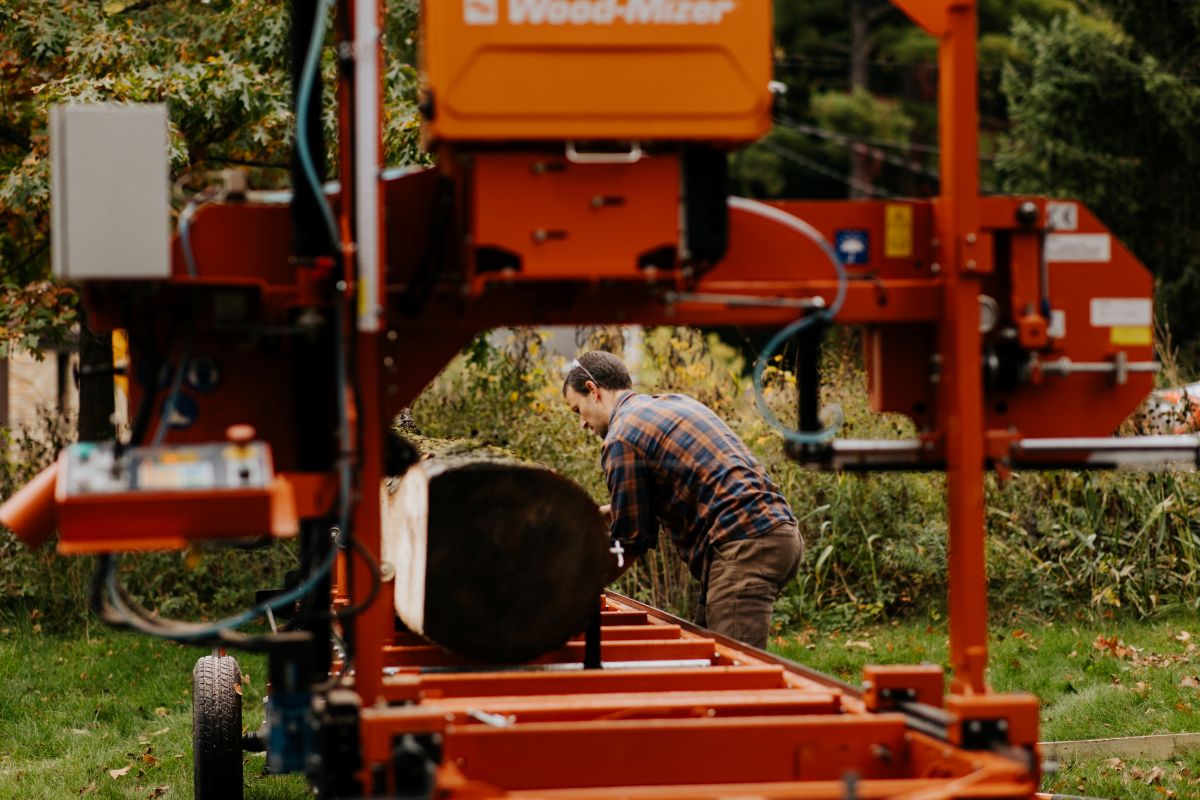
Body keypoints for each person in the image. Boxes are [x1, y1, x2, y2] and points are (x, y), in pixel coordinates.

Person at [562, 350, 803, 649]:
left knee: (737, 677)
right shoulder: (672, 403)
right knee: (707, 655)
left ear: (593, 390)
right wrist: (599, 514)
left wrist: (581, 590)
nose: (582, 424)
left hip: (744, 545)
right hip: (776, 532)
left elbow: (630, 541)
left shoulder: (620, 437)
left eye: (577, 411)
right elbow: (687, 484)